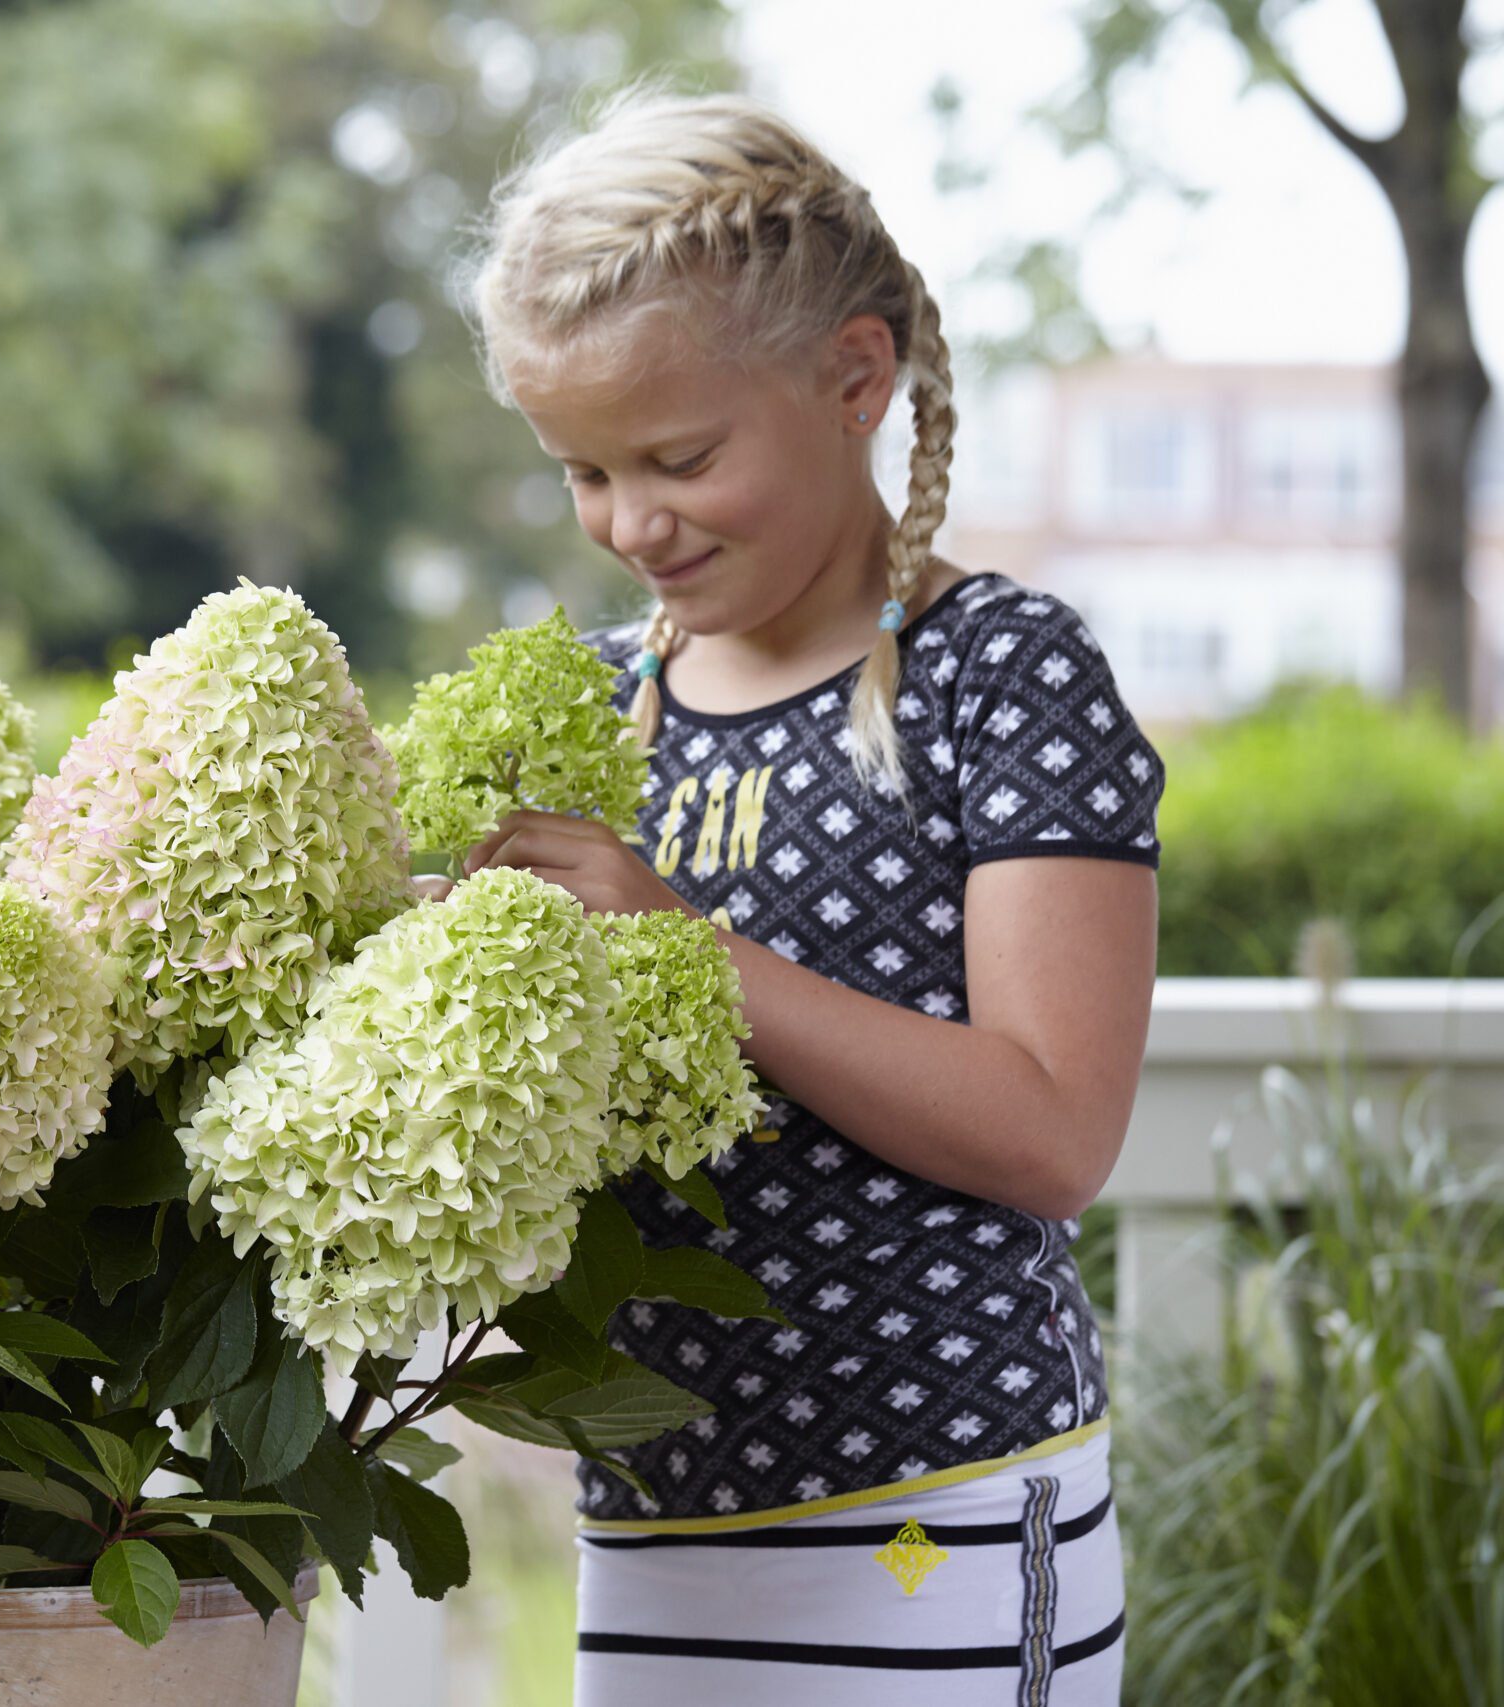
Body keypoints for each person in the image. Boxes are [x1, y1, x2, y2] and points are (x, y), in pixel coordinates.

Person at [434, 87, 1162, 1703]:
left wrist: (683, 946)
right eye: (583, 472)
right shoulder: (593, 706)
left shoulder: (1004, 676)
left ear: (854, 378)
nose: (632, 523)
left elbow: (1056, 1132)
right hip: (656, 1523)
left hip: (949, 1521)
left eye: (680, 457)